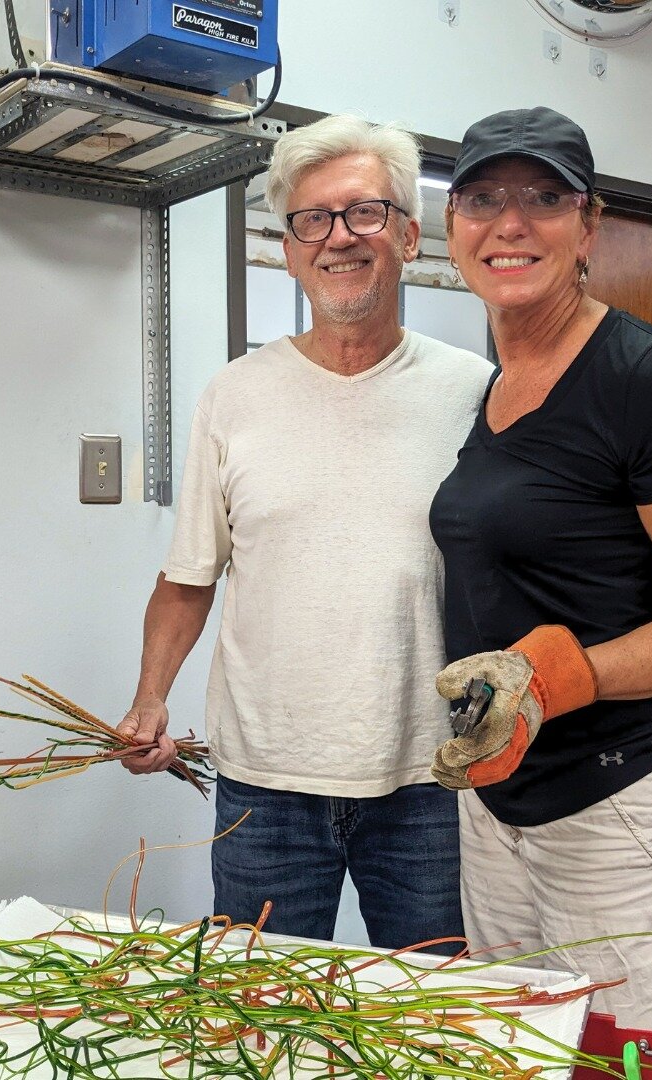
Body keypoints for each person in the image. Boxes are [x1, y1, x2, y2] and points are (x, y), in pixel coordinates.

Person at [116, 114, 493, 953]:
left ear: (407, 233)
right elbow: (189, 578)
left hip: (431, 780)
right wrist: (150, 699)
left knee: (435, 1019)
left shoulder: (475, 390)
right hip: (262, 783)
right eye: (311, 220)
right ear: (288, 248)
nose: (338, 238)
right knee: (261, 1020)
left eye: (364, 213)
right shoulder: (235, 394)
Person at [428, 107, 652, 1032]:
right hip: (502, 808)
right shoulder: (489, 388)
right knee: (525, 1052)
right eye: (483, 199)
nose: (511, 224)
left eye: (544, 198)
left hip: (624, 805)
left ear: (589, 226)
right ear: (452, 224)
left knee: (642, 1057)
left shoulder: (646, 377)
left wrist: (559, 677)